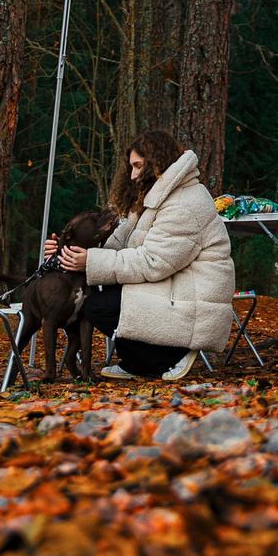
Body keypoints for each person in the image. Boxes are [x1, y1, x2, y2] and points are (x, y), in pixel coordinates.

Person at [43, 130, 234, 380]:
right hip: (173, 286)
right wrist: (69, 253)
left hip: (191, 298)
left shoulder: (183, 204)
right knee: (101, 298)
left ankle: (170, 356)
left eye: (138, 166)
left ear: (157, 163)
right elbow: (121, 244)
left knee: (100, 306)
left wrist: (89, 262)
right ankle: (137, 361)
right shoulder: (154, 197)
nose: (132, 175)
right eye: (131, 167)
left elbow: (153, 262)